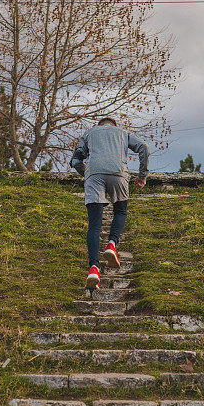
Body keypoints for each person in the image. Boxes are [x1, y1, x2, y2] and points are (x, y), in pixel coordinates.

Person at [70, 117, 149, 289]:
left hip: (94, 175)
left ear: (100, 125)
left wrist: (88, 174)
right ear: (114, 126)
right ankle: (112, 244)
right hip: (118, 173)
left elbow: (75, 161)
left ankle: (93, 268)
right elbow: (144, 147)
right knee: (120, 211)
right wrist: (142, 175)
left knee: (94, 225)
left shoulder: (89, 133)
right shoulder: (123, 133)